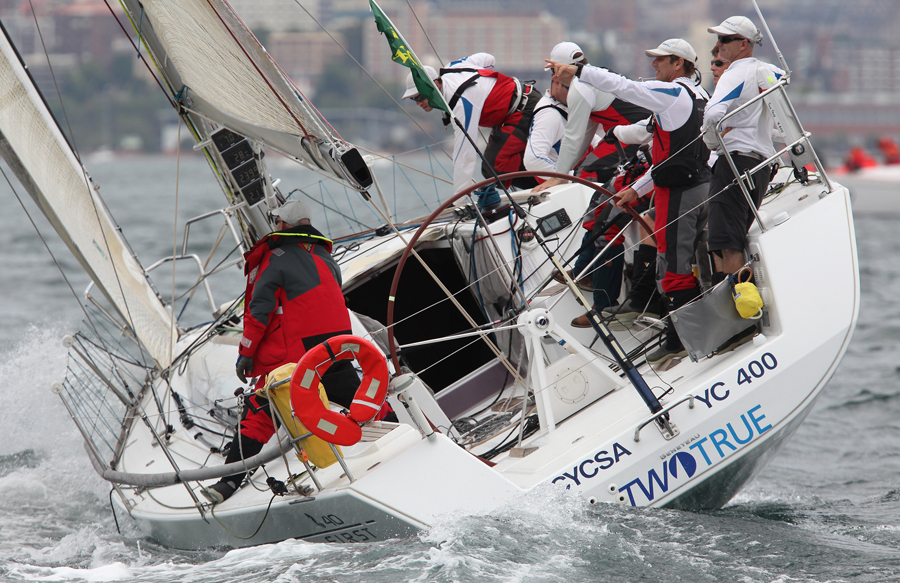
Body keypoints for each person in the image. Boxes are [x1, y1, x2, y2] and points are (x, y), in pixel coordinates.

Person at [548, 37, 712, 368]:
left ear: (678, 63)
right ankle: (656, 315)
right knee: (670, 255)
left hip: (680, 190)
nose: (654, 66)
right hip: (694, 184)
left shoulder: (672, 94)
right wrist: (637, 189)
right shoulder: (699, 96)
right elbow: (669, 153)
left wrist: (581, 72)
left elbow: (624, 87)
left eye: (660, 61)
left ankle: (683, 341)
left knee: (676, 265)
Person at [202, 200, 358, 504]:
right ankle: (410, 433)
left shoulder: (275, 258)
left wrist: (246, 352)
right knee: (360, 394)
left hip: (295, 359)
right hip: (335, 351)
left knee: (260, 411)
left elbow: (259, 310)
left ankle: (228, 483)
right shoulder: (328, 259)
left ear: (283, 226)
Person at [703, 16, 785, 286]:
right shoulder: (768, 71)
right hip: (761, 168)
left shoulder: (735, 73)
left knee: (725, 242)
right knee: (734, 235)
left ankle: (736, 304)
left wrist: (713, 143)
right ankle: (739, 299)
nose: (720, 44)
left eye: (726, 39)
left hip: (735, 164)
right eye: (719, 38)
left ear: (745, 44)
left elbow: (713, 112)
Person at [404, 54, 539, 193]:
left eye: (420, 96)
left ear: (436, 85)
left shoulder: (461, 103)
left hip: (524, 109)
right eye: (413, 99)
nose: (418, 102)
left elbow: (464, 155)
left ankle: (546, 186)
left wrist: (459, 199)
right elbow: (488, 58)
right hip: (519, 105)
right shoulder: (453, 67)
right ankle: (543, 182)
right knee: (494, 169)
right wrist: (485, 88)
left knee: (495, 169)